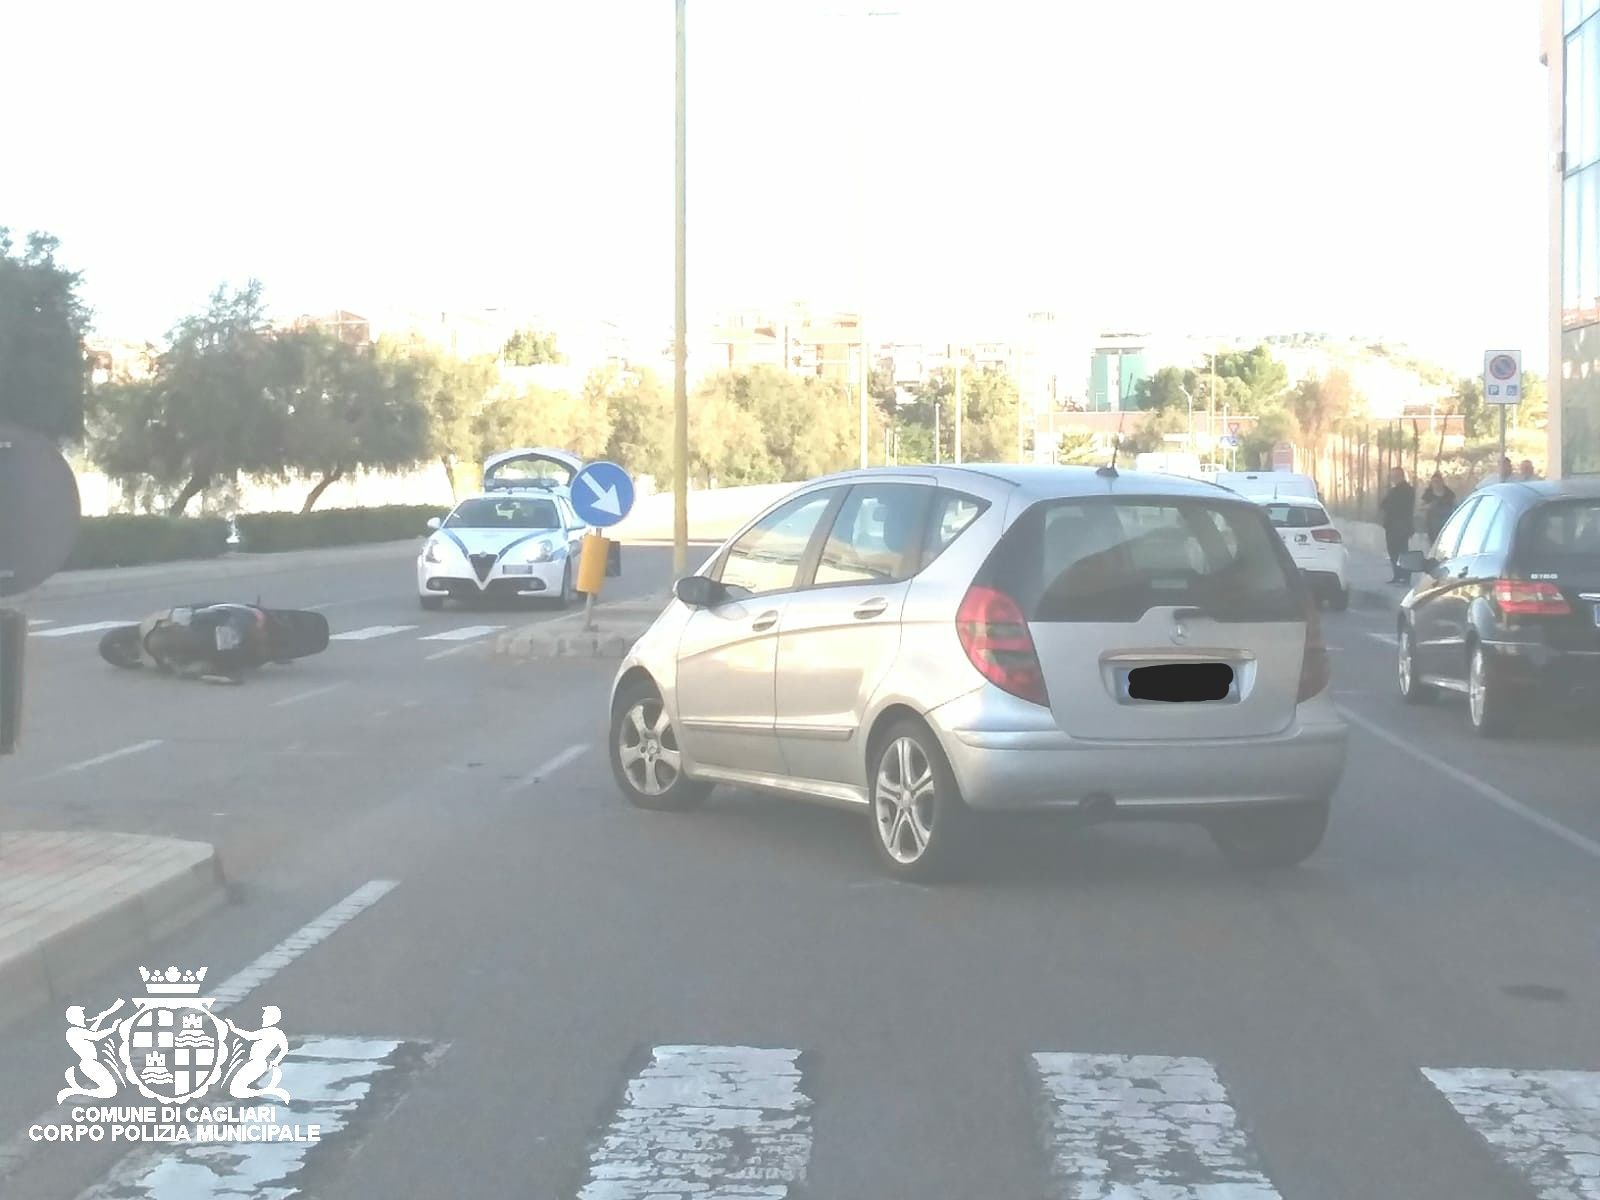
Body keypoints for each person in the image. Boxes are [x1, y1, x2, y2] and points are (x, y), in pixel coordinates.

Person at [1379, 467, 1417, 584]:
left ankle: (1405, 577)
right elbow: (1384, 504)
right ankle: (1397, 575)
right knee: (1393, 552)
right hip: (1391, 525)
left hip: (1401, 526)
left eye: (1395, 476)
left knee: (1402, 552)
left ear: (1401, 476)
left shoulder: (1407, 490)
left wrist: (1390, 506)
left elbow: (1399, 507)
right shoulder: (1394, 490)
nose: (1393, 478)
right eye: (1392, 476)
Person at [1421, 472, 1456, 545]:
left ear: (1442, 482)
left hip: (1445, 523)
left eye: (1437, 481)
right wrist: (1428, 506)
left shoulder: (1449, 493)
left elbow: (1454, 507)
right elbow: (1421, 507)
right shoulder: (1428, 493)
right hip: (1432, 525)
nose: (1436, 484)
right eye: (1433, 482)